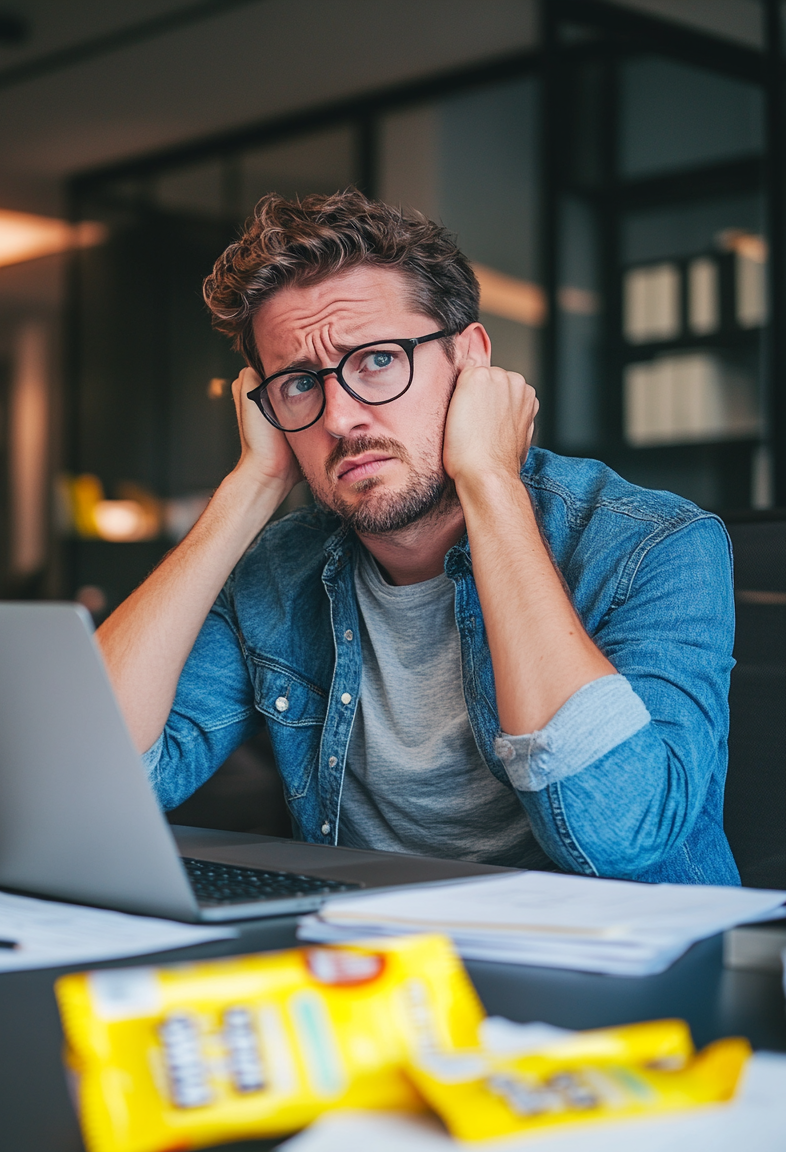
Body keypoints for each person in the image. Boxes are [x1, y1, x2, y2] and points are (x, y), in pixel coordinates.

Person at [97, 189, 739, 886]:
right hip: (378, 965)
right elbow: (90, 782)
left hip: (623, 976)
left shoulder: (656, 545)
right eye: (299, 383)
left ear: (471, 362)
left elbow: (623, 833)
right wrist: (251, 486)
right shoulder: (279, 572)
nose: (340, 418)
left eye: (376, 360)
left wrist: (490, 480)